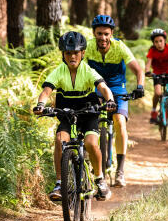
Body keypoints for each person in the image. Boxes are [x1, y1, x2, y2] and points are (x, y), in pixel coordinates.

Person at [33, 31, 116, 202]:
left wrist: (110, 100)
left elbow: (103, 88)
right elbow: (46, 91)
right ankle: (59, 184)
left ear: (82, 53)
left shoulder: (88, 71)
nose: (72, 56)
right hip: (67, 114)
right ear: (63, 54)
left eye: (76, 52)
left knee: (91, 143)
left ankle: (100, 179)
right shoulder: (58, 72)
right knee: (59, 140)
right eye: (68, 53)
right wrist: (41, 105)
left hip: (88, 113)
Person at [85, 15, 145, 188]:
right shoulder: (88, 47)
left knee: (119, 122)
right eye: (99, 34)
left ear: (111, 33)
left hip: (118, 88)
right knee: (88, 120)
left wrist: (140, 87)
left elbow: (139, 71)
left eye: (106, 34)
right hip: (96, 86)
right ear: (94, 33)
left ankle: (120, 171)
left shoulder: (120, 47)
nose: (103, 38)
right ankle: (89, 161)